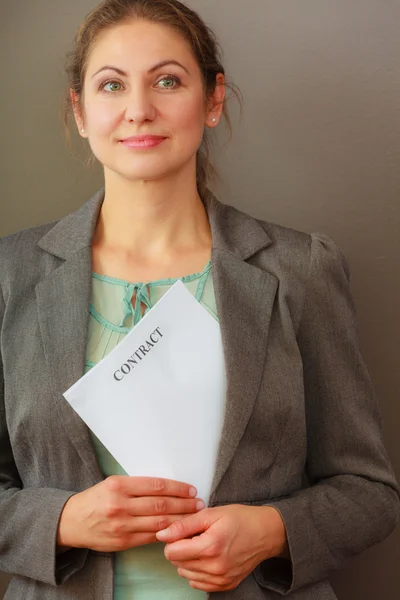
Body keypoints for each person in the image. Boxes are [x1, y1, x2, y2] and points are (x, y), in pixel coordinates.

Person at [0, 0, 398, 598]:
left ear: (213, 100)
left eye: (167, 80)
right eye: (112, 85)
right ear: (80, 111)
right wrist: (60, 521)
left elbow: (368, 491)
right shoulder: (11, 274)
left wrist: (271, 530)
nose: (139, 110)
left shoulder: (300, 270)